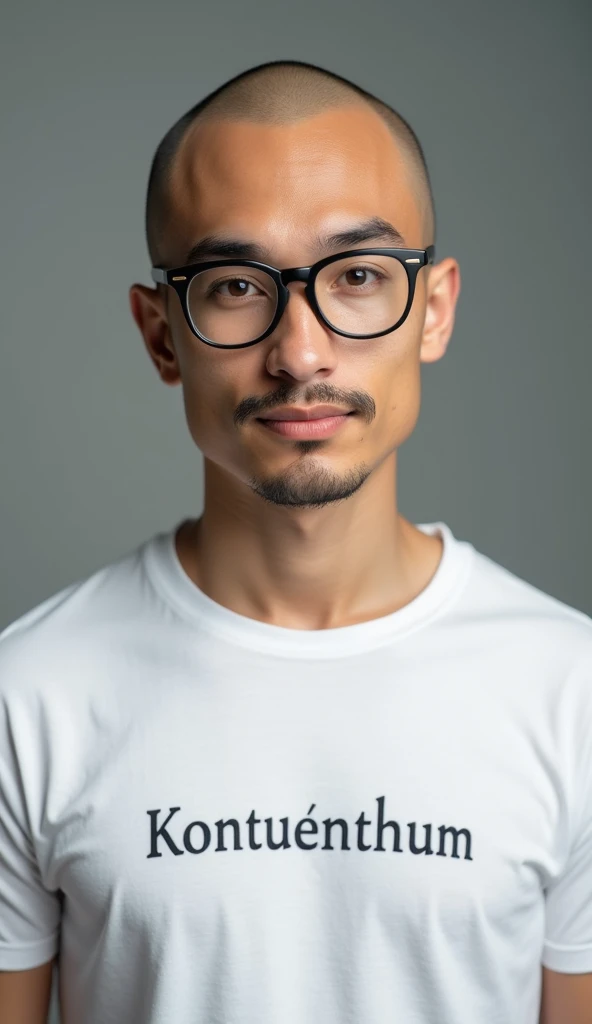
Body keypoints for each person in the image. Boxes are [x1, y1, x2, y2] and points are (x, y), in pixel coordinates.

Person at [0, 59, 590, 1024]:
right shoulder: (28, 701)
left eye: (358, 277)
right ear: (161, 336)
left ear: (433, 309)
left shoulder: (573, 696)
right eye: (236, 286)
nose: (301, 351)